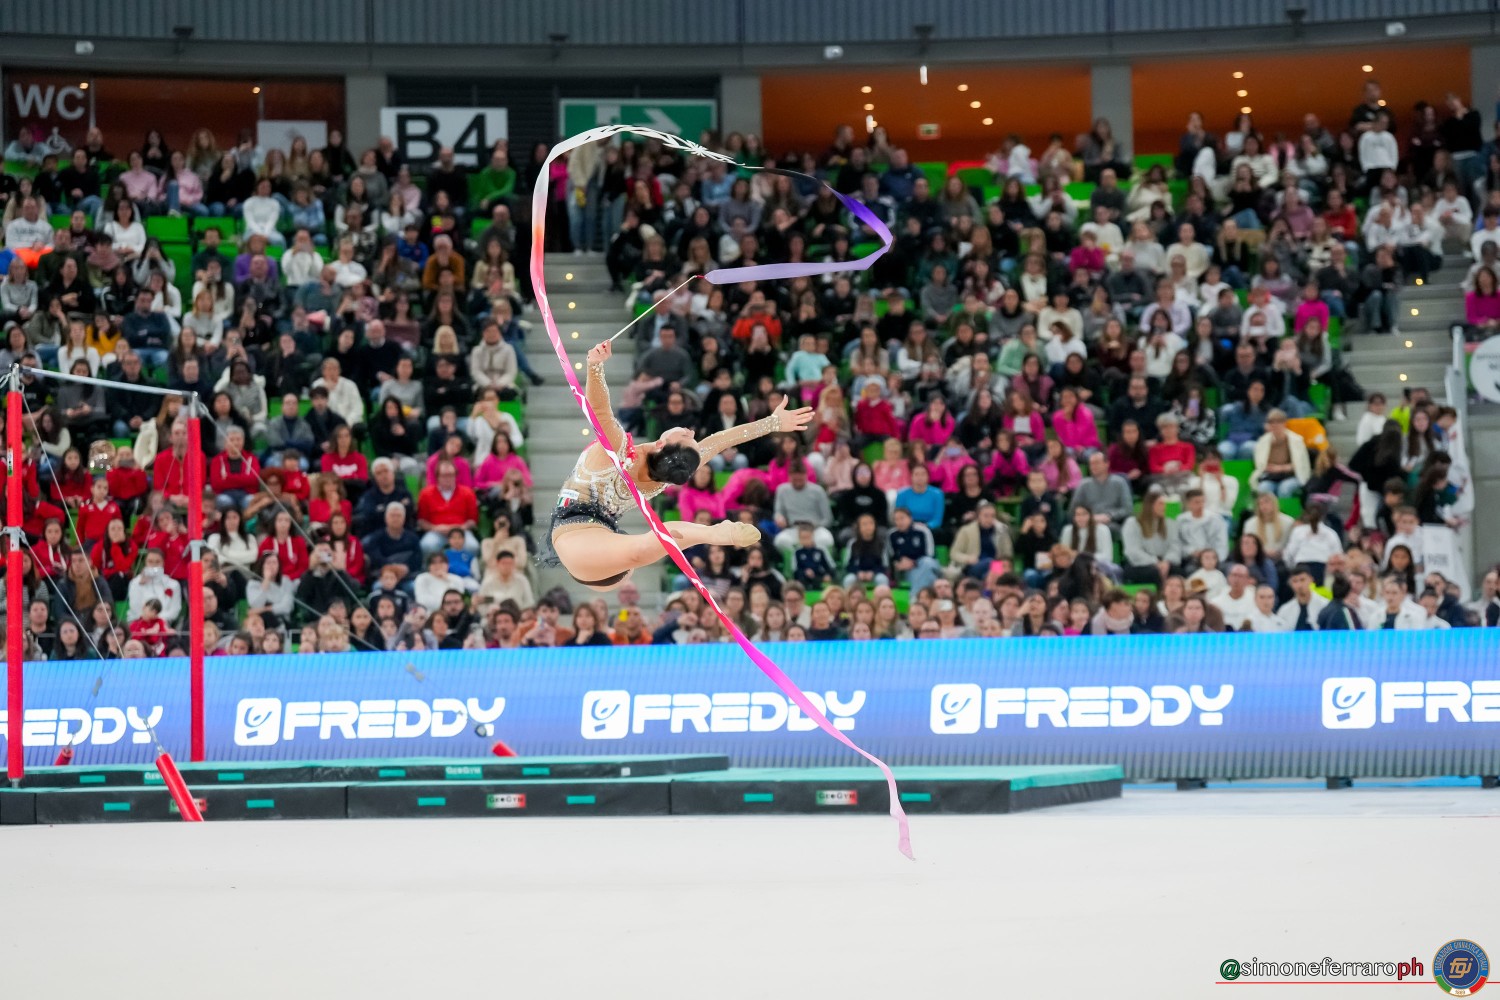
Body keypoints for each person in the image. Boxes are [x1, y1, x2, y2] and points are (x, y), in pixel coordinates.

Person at [541, 342, 812, 592]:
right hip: (605, 548)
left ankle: (714, 533)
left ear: (661, 443)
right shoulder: (667, 473)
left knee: (645, 547)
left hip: (577, 537)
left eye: (686, 436)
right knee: (642, 548)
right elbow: (720, 441)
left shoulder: (617, 451)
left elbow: (599, 411)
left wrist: (595, 365)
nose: (692, 432)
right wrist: (772, 423)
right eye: (692, 437)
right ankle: (711, 533)